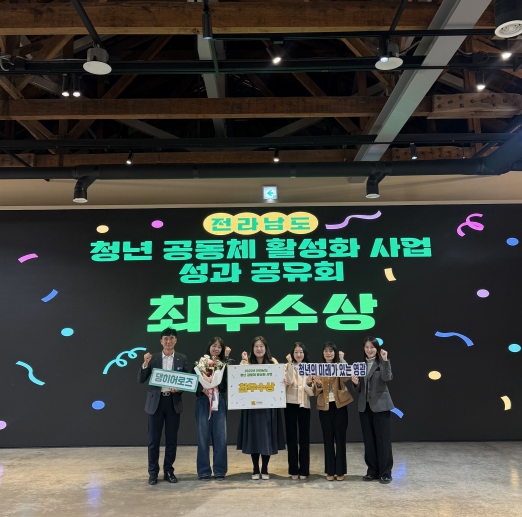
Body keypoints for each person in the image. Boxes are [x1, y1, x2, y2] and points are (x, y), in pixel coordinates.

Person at [137, 327, 188, 485]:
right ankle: (153, 472)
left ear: (175, 341)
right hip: (156, 403)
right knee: (154, 440)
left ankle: (168, 471)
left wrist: (179, 388)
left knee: (171, 439)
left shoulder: (181, 358)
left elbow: (188, 380)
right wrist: (145, 364)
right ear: (161, 341)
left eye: (171, 338)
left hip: (173, 403)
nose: (168, 341)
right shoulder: (153, 358)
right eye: (166, 338)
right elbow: (141, 379)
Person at [237, 336, 285, 480]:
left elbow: (279, 380)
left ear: (265, 348)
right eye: (256, 346)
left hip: (268, 407)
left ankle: (264, 468)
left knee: (266, 437)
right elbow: (238, 377)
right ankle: (255, 468)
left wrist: (283, 380)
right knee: (254, 437)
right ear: (252, 349)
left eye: (261, 346)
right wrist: (243, 361)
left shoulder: (273, 362)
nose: (259, 349)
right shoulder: (247, 363)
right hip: (251, 407)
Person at [351, 336, 394, 484]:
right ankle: (372, 471)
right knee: (369, 441)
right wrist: (355, 383)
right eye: (367, 347)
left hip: (381, 407)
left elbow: (387, 377)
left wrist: (385, 360)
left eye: (372, 347)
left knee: (383, 441)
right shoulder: (360, 365)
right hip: (365, 407)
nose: (369, 350)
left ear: (377, 348)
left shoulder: (382, 362)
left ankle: (385, 472)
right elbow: (359, 388)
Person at [313, 341, 353, 481]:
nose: (328, 353)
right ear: (323, 353)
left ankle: (340, 471)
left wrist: (342, 360)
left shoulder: (340, 364)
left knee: (340, 439)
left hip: (340, 406)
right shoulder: (318, 368)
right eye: (326, 351)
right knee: (328, 439)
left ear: (335, 353)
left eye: (331, 351)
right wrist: (318, 383)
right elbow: (315, 391)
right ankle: (330, 471)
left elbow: (347, 377)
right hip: (324, 407)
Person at [195, 337, 231, 481]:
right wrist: (202, 389)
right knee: (203, 437)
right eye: (214, 346)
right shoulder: (200, 363)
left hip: (219, 401)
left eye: (219, 347)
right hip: (203, 402)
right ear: (209, 347)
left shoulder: (223, 365)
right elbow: (193, 382)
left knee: (220, 437)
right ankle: (203, 471)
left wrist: (226, 360)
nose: (216, 349)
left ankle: (220, 470)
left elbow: (226, 383)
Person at [284, 342, 314, 480]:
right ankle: (293, 470)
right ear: (292, 353)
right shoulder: (286, 366)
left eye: (301, 352)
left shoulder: (309, 368)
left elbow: (312, 392)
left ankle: (304, 470)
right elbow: (289, 382)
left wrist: (308, 384)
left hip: (304, 405)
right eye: (296, 352)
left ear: (304, 353)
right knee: (291, 438)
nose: (298, 354)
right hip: (290, 404)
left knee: (304, 439)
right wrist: (290, 364)